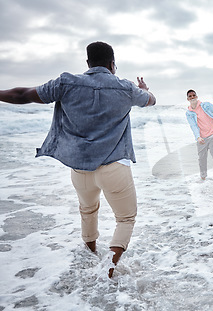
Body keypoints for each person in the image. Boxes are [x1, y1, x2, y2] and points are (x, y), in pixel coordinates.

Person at [0, 41, 156, 278]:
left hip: (80, 170)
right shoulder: (125, 88)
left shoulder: (66, 83)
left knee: (88, 210)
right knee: (125, 218)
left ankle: (90, 253)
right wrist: (144, 89)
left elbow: (23, 95)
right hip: (114, 167)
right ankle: (109, 269)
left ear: (87, 63)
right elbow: (151, 100)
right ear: (112, 64)